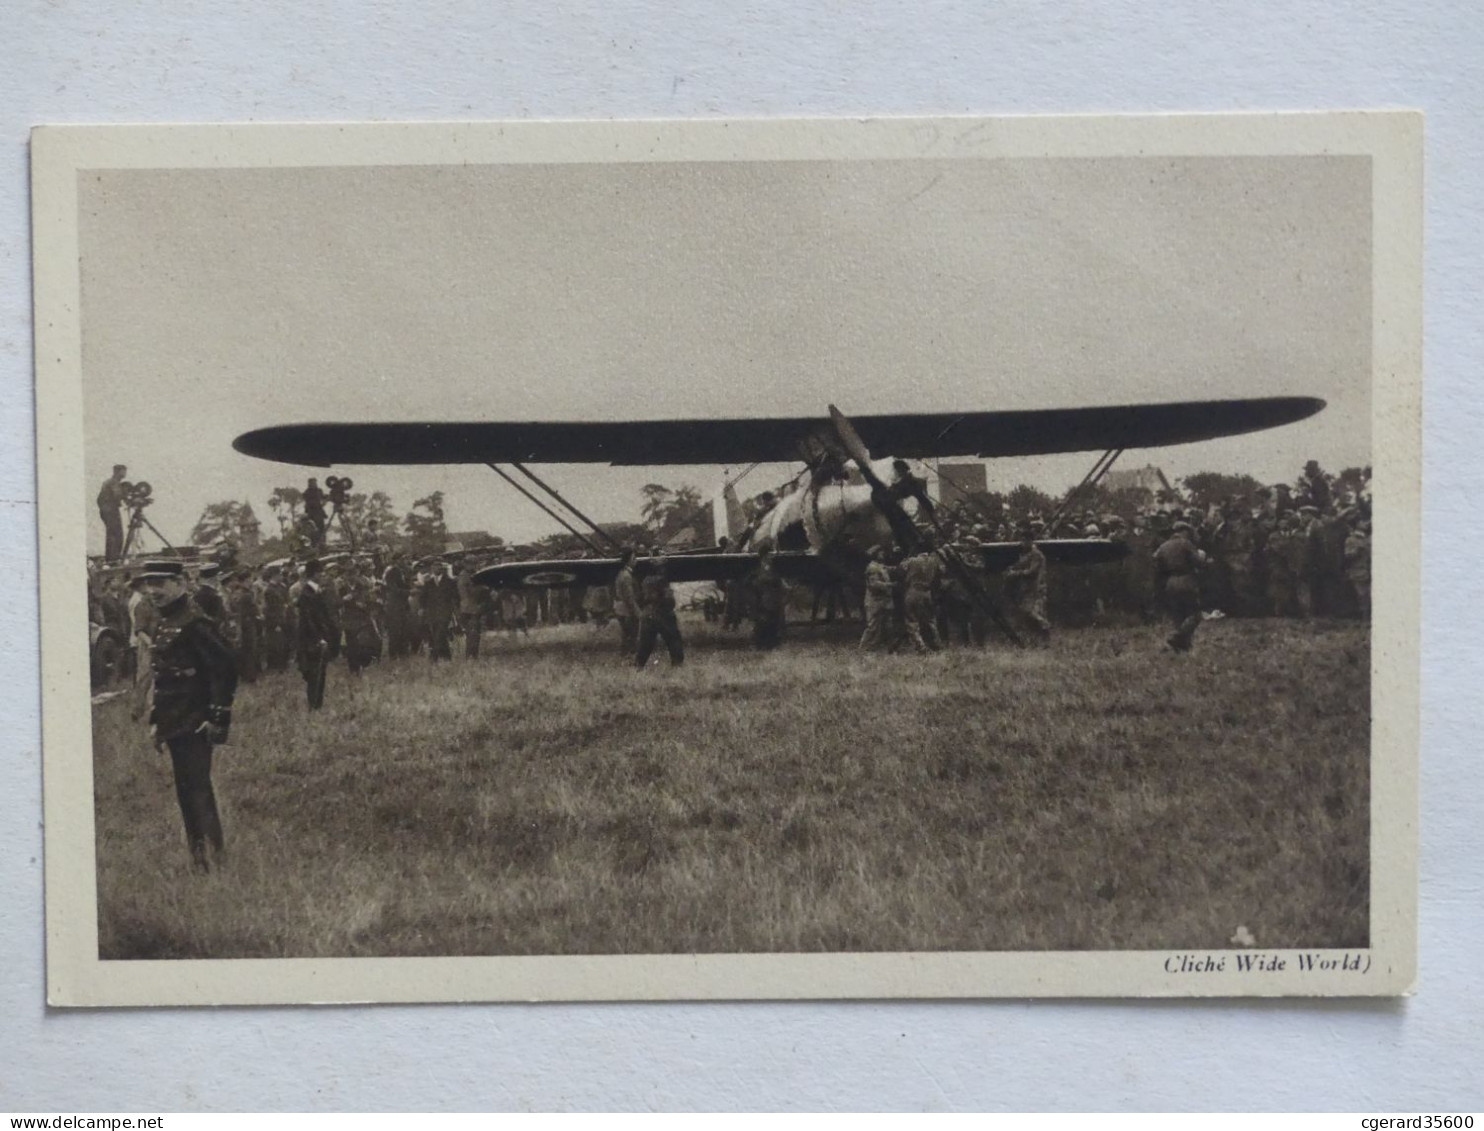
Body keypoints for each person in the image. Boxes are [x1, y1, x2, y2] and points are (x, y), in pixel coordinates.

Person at [136, 559, 237, 872]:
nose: (153, 590)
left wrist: (216, 716)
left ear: (180, 582)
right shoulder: (165, 619)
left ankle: (212, 857)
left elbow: (224, 669)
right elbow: (165, 675)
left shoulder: (194, 621)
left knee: (196, 788)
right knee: (186, 788)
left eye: (161, 582)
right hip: (174, 718)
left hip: (194, 718)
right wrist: (156, 722)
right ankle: (200, 856)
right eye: (148, 583)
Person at [1154, 521, 1206, 652]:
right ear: (1185, 531)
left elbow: (1157, 565)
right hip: (1186, 580)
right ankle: (1178, 637)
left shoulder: (1163, 546)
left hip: (1170, 582)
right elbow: (1198, 562)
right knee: (1195, 614)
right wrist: (1203, 557)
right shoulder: (1186, 544)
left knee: (1178, 616)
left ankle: (1182, 647)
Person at [295, 558, 339, 709]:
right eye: (320, 572)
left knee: (321, 672)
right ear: (314, 574)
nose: (322, 575)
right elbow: (308, 620)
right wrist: (318, 638)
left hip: (319, 637)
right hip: (311, 639)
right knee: (314, 673)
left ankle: (317, 704)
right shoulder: (307, 594)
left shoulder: (315, 591)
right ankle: (313, 705)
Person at [1004, 526, 1051, 643]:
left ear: (1031, 540)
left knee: (1034, 613)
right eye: (1022, 540)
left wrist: (1014, 573)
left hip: (1037, 588)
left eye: (1026, 540)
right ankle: (1036, 640)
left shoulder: (1036, 555)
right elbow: (1018, 565)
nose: (1023, 543)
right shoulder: (1026, 555)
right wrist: (1011, 569)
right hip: (1028, 589)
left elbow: (1032, 571)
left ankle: (1045, 634)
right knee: (1026, 613)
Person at [634, 558, 684, 668]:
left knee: (645, 643)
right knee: (673, 639)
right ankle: (677, 664)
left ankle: (639, 665)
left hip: (647, 613)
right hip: (662, 612)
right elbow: (669, 599)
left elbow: (639, 598)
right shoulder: (663, 581)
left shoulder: (645, 581)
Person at [899, 534, 944, 653]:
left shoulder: (912, 561)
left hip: (913, 591)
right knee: (930, 620)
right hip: (927, 592)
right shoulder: (934, 561)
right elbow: (940, 574)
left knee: (912, 621)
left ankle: (920, 646)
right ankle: (937, 644)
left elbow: (900, 570)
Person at [858, 545, 897, 651]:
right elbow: (874, 584)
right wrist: (890, 585)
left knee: (888, 624)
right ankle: (863, 648)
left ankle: (887, 647)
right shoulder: (872, 567)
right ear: (875, 555)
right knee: (872, 626)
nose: (883, 554)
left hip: (884, 601)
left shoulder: (880, 566)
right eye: (880, 552)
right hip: (874, 601)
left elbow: (892, 569)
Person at [749, 547, 786, 649]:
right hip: (763, 596)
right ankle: (761, 642)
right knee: (764, 618)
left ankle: (771, 641)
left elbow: (778, 579)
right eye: (769, 554)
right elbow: (758, 580)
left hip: (772, 595)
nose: (771, 556)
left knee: (773, 617)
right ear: (765, 555)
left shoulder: (771, 567)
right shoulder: (761, 567)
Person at [97, 465, 129, 564]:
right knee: (116, 535)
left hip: (108, 510)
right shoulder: (113, 482)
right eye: (123, 471)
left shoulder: (111, 482)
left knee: (113, 534)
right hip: (110, 510)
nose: (125, 473)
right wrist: (129, 498)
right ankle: (113, 559)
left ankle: (112, 558)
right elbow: (117, 495)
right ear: (117, 471)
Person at [612, 548, 641, 657]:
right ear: (628, 560)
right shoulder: (627, 576)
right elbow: (629, 597)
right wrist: (637, 612)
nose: (636, 560)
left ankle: (625, 655)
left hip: (620, 608)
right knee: (632, 634)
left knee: (626, 634)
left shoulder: (621, 573)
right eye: (634, 558)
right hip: (626, 609)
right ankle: (630, 655)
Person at [456, 562, 485, 658]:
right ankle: (471, 654)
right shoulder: (465, 577)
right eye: (470, 563)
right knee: (473, 631)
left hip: (467, 607)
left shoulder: (464, 575)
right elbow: (471, 592)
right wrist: (483, 587)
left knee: (472, 632)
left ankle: (471, 654)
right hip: (470, 608)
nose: (472, 565)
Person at [302, 478, 328, 548]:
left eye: (315, 483)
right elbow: (309, 503)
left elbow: (323, 497)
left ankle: (322, 544)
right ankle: (315, 545)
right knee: (314, 530)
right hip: (312, 513)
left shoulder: (319, 491)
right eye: (312, 483)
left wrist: (326, 499)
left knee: (322, 529)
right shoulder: (307, 492)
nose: (314, 484)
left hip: (319, 513)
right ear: (309, 484)